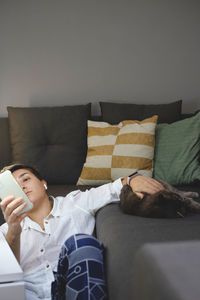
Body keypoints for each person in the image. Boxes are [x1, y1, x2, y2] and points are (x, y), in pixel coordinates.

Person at [0, 163, 163, 300]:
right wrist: (14, 232)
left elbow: (113, 188)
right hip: (27, 296)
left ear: (44, 184)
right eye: (14, 187)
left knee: (81, 242)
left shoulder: (75, 203)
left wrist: (133, 179)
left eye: (26, 179)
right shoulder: (5, 232)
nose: (22, 186)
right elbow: (6, 277)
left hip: (73, 289)